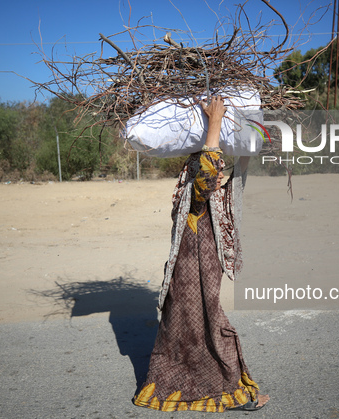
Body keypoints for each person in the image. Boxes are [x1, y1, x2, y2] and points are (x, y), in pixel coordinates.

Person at [133, 96, 269, 412]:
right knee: (209, 326)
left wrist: (244, 131)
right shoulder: (198, 201)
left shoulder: (208, 205)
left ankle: (180, 386)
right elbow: (207, 175)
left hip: (192, 273)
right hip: (192, 274)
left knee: (186, 328)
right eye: (215, 167)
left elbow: (234, 163)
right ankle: (227, 394)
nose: (221, 174)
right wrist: (215, 124)